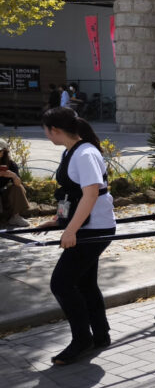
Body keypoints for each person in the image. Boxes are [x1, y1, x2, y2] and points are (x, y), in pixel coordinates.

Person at [35, 107, 116, 365]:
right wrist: (59, 220)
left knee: (61, 283)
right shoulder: (70, 151)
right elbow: (70, 193)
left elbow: (91, 194)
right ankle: (100, 334)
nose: (46, 135)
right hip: (83, 225)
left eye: (46, 130)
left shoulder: (85, 154)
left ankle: (82, 339)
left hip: (95, 228)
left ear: (55, 130)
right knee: (84, 283)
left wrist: (70, 231)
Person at [0, 140, 30, 228]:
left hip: (3, 193)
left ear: (4, 152)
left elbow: (18, 183)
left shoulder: (11, 164)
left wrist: (14, 176)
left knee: (18, 187)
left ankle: (16, 217)